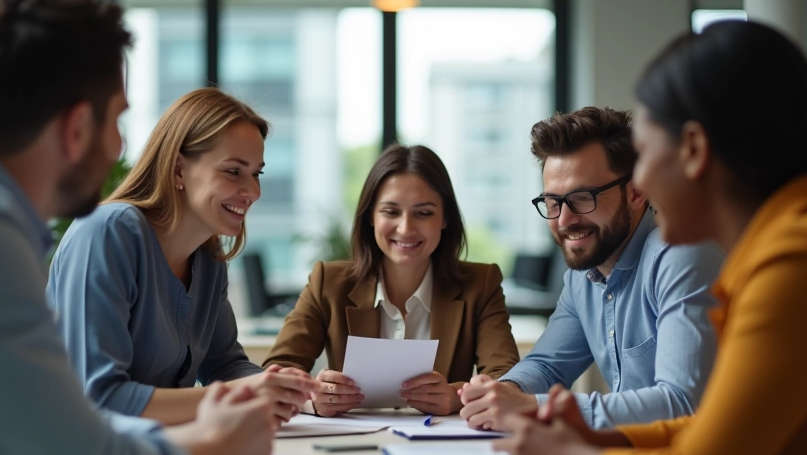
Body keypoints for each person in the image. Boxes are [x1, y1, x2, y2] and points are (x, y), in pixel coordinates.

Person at [494, 21, 807, 455]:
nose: (641, 184)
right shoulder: (782, 251)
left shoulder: (804, 262)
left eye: (647, 155)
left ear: (694, 150)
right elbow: (711, 433)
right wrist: (597, 436)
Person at [0, 0, 280, 455]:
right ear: (78, 127)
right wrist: (217, 449)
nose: (121, 147)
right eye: (117, 119)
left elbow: (44, 434)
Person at [47, 88, 318, 426]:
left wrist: (299, 394)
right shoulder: (107, 232)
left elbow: (224, 365)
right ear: (178, 170)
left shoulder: (208, 257)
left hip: (156, 453)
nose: (253, 192)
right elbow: (98, 398)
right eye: (234, 171)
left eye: (256, 173)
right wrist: (244, 394)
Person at [459, 107, 724, 430]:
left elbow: (683, 402)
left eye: (582, 198)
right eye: (553, 203)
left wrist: (531, 406)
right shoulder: (582, 277)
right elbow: (547, 367)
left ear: (636, 192)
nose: (564, 220)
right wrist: (502, 393)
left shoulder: (681, 256)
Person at [263, 144, 520, 417]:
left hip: (440, 446)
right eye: (390, 211)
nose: (406, 228)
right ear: (370, 217)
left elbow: (506, 379)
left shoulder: (480, 284)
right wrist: (313, 398)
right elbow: (277, 370)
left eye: (423, 213)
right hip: (350, 442)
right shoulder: (329, 282)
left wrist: (457, 398)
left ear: (445, 218)